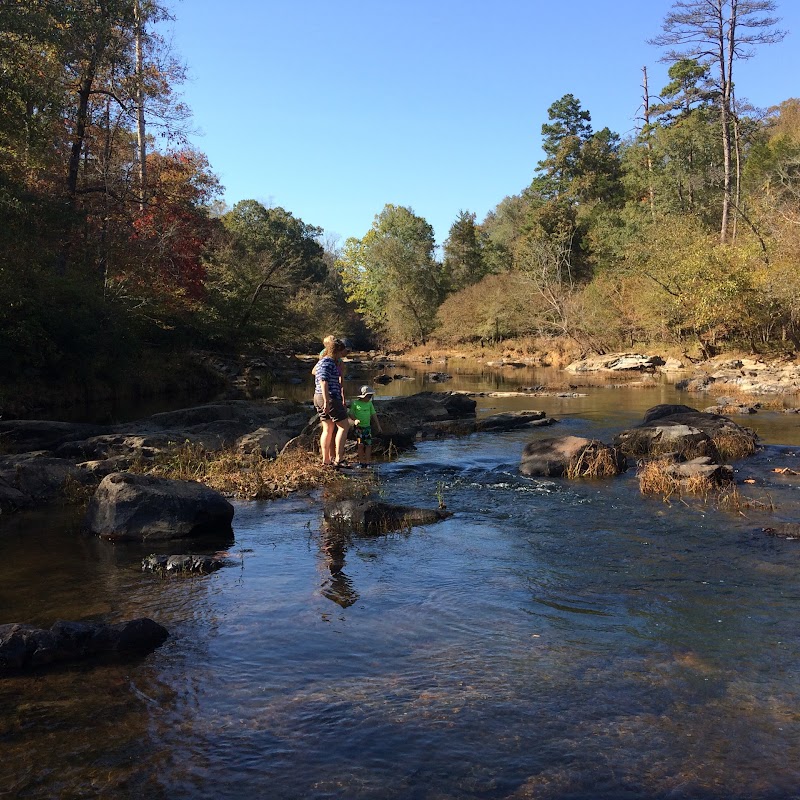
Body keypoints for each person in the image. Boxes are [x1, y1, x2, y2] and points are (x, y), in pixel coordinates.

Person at [313, 338, 351, 467]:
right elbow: (324, 381)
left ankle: (326, 460)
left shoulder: (321, 362)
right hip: (330, 397)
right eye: (341, 352)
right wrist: (327, 402)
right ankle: (338, 459)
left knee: (328, 428)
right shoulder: (328, 363)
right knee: (344, 426)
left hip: (319, 397)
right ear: (337, 351)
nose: (342, 355)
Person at [349, 385, 382, 467]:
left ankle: (367, 462)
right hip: (359, 428)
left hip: (367, 428)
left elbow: (374, 414)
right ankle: (361, 461)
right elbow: (350, 413)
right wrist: (355, 420)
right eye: (368, 396)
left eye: (371, 396)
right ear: (363, 396)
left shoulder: (370, 404)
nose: (370, 398)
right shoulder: (355, 403)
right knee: (360, 445)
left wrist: (378, 426)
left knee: (368, 445)